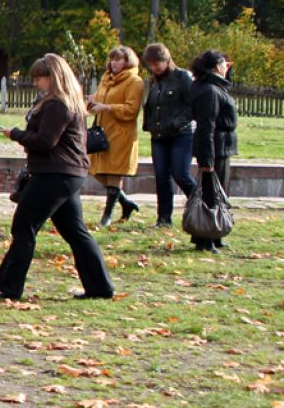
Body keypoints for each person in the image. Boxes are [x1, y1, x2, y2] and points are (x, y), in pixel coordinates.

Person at [0, 54, 114, 301]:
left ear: (52, 78)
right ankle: (100, 286)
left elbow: (46, 141)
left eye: (39, 78)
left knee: (24, 226)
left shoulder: (58, 105)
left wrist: (16, 134)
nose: (36, 83)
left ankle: (8, 287)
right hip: (66, 173)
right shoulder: (66, 102)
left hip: (55, 173)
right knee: (75, 231)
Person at [140, 43, 196, 228]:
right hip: (159, 135)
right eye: (151, 64)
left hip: (181, 134)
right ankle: (163, 218)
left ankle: (201, 205)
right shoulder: (153, 82)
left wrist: (177, 123)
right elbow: (151, 106)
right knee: (161, 176)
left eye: (158, 63)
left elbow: (192, 106)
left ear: (167, 60)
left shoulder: (182, 77)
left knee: (181, 174)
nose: (155, 67)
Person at [89, 45, 144, 227]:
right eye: (112, 59)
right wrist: (92, 102)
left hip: (121, 134)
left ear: (128, 62)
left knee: (114, 174)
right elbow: (99, 99)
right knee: (94, 168)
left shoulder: (134, 81)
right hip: (102, 132)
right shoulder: (106, 79)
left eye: (118, 59)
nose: (114, 63)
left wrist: (107, 108)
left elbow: (131, 110)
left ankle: (107, 215)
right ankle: (125, 202)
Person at [190, 49, 238, 253]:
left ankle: (215, 234)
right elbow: (206, 126)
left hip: (222, 146)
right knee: (210, 193)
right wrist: (206, 159)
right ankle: (205, 238)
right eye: (223, 64)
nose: (226, 67)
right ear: (217, 67)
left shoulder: (214, 86)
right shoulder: (209, 90)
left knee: (220, 192)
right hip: (215, 147)